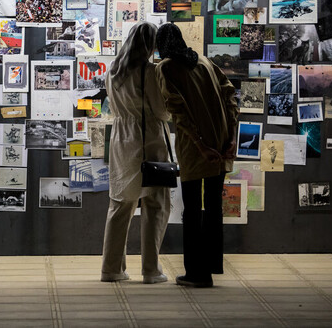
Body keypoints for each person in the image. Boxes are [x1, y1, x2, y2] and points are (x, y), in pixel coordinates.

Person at [155, 23, 239, 288]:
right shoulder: (203, 60)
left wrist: (201, 146)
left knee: (191, 210)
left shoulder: (166, 67)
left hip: (195, 148)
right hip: (222, 142)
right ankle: (212, 266)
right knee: (214, 207)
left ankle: (196, 273)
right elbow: (230, 97)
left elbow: (178, 113)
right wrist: (233, 138)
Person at [101, 22, 171, 284]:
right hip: (149, 140)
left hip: (121, 139)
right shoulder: (149, 72)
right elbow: (161, 111)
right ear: (150, 45)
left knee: (120, 204)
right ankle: (151, 270)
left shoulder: (113, 72)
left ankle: (111, 269)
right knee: (156, 204)